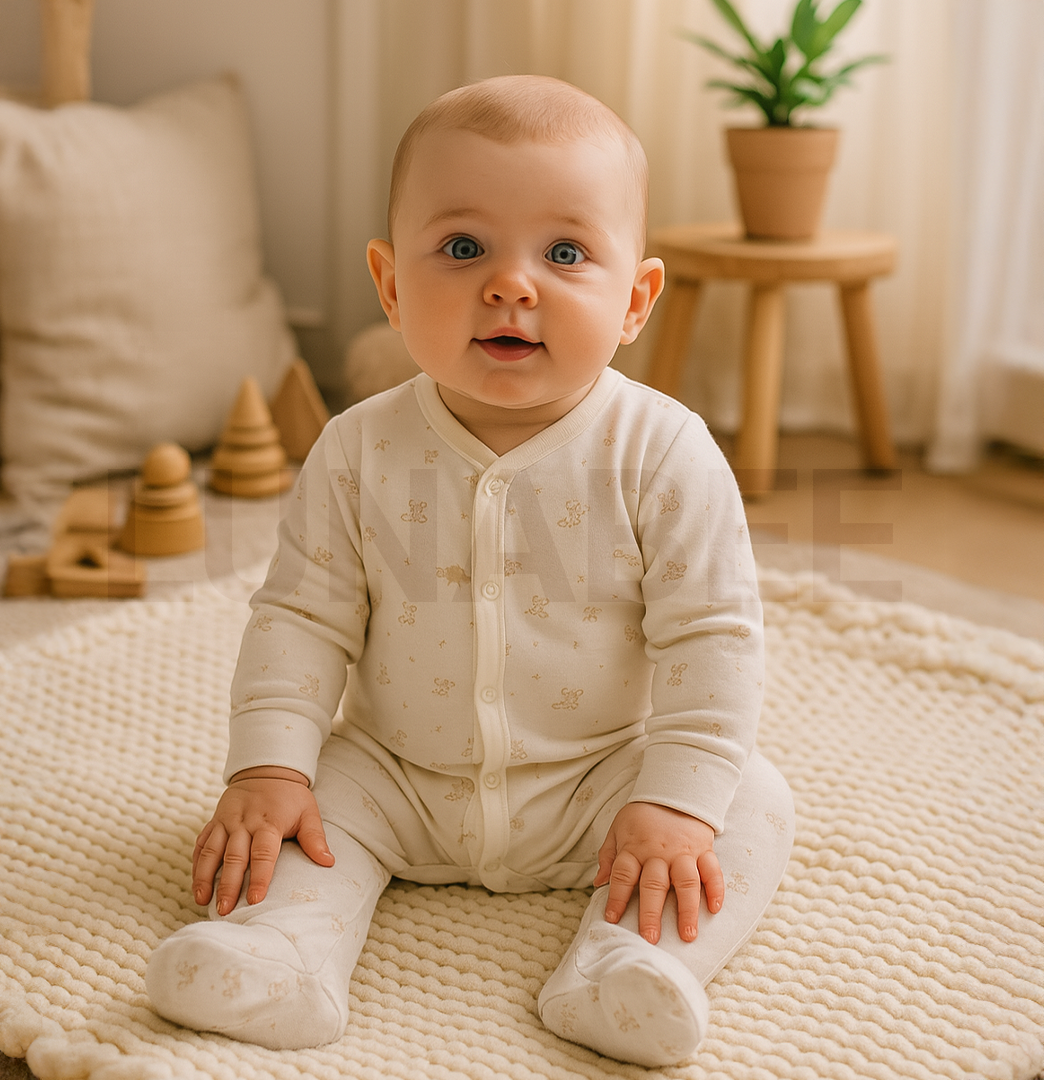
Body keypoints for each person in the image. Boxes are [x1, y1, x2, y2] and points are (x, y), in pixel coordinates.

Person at [147, 73, 794, 1067]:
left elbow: (712, 637)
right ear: (392, 285)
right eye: (462, 248)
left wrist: (670, 805)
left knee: (744, 800)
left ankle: (628, 964)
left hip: (596, 789)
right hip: (402, 776)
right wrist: (269, 765)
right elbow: (300, 619)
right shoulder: (358, 449)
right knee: (296, 803)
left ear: (635, 299)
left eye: (566, 252)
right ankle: (282, 959)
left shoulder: (664, 451)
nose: (511, 284)